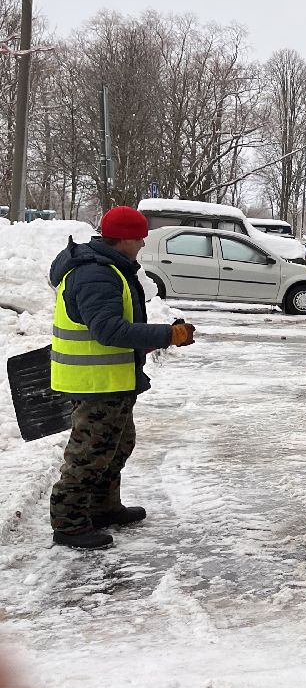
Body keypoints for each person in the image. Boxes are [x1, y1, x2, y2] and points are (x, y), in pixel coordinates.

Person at [48, 205, 197, 551]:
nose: (143, 245)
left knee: (118, 444)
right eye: (140, 239)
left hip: (110, 379)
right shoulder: (95, 274)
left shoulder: (110, 268)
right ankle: (68, 523)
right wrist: (166, 336)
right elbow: (108, 329)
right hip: (95, 382)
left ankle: (102, 506)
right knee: (89, 453)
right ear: (126, 239)